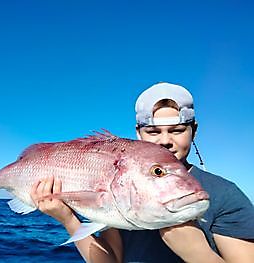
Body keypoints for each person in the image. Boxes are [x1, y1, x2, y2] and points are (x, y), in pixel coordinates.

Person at [30, 82, 254, 262]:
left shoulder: (226, 196)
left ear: (193, 131)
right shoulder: (120, 185)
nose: (165, 141)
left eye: (177, 130)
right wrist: (69, 219)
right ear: (138, 133)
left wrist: (198, 254)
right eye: (153, 131)